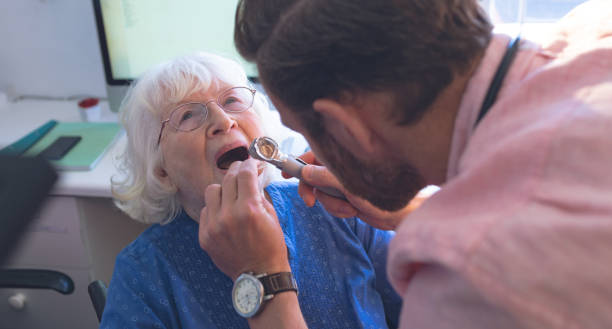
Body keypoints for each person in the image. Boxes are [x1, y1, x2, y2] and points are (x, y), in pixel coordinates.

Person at [200, 0, 612, 328]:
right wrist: (420, 211)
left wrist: (263, 281)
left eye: (306, 132)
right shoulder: (594, 29)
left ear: (348, 128)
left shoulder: (465, 288)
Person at [100, 52, 402, 329]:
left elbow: (427, 304)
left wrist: (398, 211)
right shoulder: (143, 273)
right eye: (188, 115)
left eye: (232, 100)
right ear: (162, 171)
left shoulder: (338, 208)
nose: (224, 120)